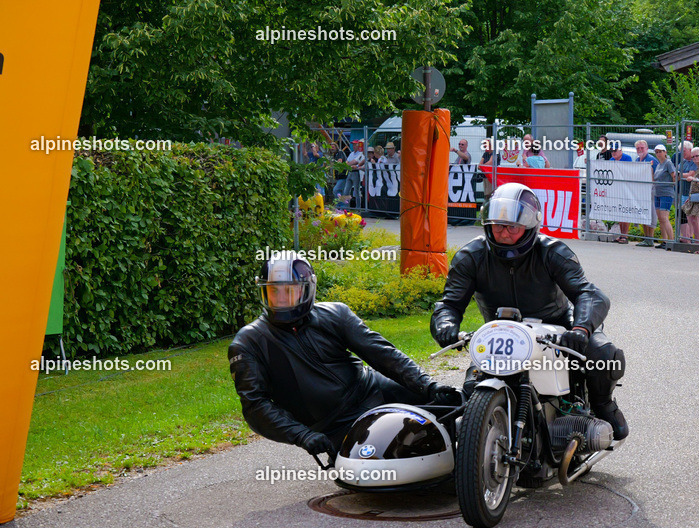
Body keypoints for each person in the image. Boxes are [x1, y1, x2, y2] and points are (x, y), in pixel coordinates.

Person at [430, 183, 628, 440]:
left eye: (513, 226)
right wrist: (445, 326)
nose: (504, 233)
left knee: (603, 354)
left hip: (557, 325)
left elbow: (589, 294)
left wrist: (580, 329)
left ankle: (603, 403)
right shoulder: (471, 255)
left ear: (529, 226)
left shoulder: (552, 251)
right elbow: (450, 304)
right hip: (500, 332)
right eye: (498, 225)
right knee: (470, 390)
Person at [229, 253, 459, 462]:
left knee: (454, 404)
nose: (280, 299)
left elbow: (381, 353)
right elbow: (255, 406)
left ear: (306, 289)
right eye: (273, 291)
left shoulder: (336, 314)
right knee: (385, 465)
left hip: (375, 390)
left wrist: (427, 385)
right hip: (334, 425)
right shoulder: (247, 343)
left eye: (289, 291)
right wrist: (303, 435)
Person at [632, 140, 660, 247]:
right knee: (643, 214)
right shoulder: (637, 160)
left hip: (651, 191)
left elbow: (657, 176)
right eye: (638, 148)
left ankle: (650, 238)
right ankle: (646, 238)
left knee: (651, 214)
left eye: (642, 148)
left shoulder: (652, 160)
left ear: (647, 148)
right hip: (640, 191)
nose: (640, 150)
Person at [651, 144, 677, 250]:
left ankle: (671, 241)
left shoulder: (668, 163)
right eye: (656, 152)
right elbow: (655, 179)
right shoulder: (658, 165)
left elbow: (674, 176)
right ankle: (664, 241)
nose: (658, 154)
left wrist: (672, 186)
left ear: (665, 152)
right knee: (661, 218)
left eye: (660, 151)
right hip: (658, 192)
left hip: (666, 193)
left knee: (664, 217)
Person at [608, 144, 633, 242]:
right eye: (612, 151)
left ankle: (625, 235)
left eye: (615, 151)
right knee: (619, 212)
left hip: (626, 189)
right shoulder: (611, 160)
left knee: (625, 212)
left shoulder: (627, 158)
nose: (613, 153)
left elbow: (628, 172)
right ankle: (621, 234)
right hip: (616, 189)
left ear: (620, 150)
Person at [335, 139, 365, 208]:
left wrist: (346, 165)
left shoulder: (360, 153)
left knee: (356, 192)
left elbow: (355, 162)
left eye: (355, 144)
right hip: (350, 172)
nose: (354, 146)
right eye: (353, 145)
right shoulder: (351, 153)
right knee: (346, 191)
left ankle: (358, 208)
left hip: (356, 173)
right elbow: (347, 162)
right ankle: (345, 207)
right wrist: (347, 165)